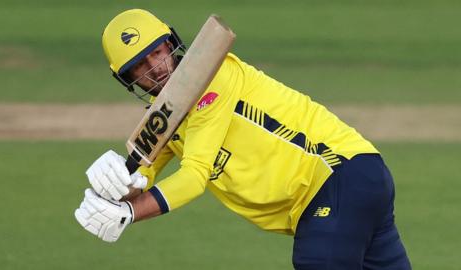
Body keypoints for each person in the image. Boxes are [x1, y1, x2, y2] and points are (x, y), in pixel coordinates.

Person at [74, 9, 412, 270]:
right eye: (139, 65)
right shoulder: (166, 115)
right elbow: (146, 171)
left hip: (335, 177)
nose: (155, 68)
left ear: (171, 44)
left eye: (157, 52)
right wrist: (118, 189)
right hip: (352, 182)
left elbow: (194, 177)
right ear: (126, 78)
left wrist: (129, 213)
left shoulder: (212, 79)